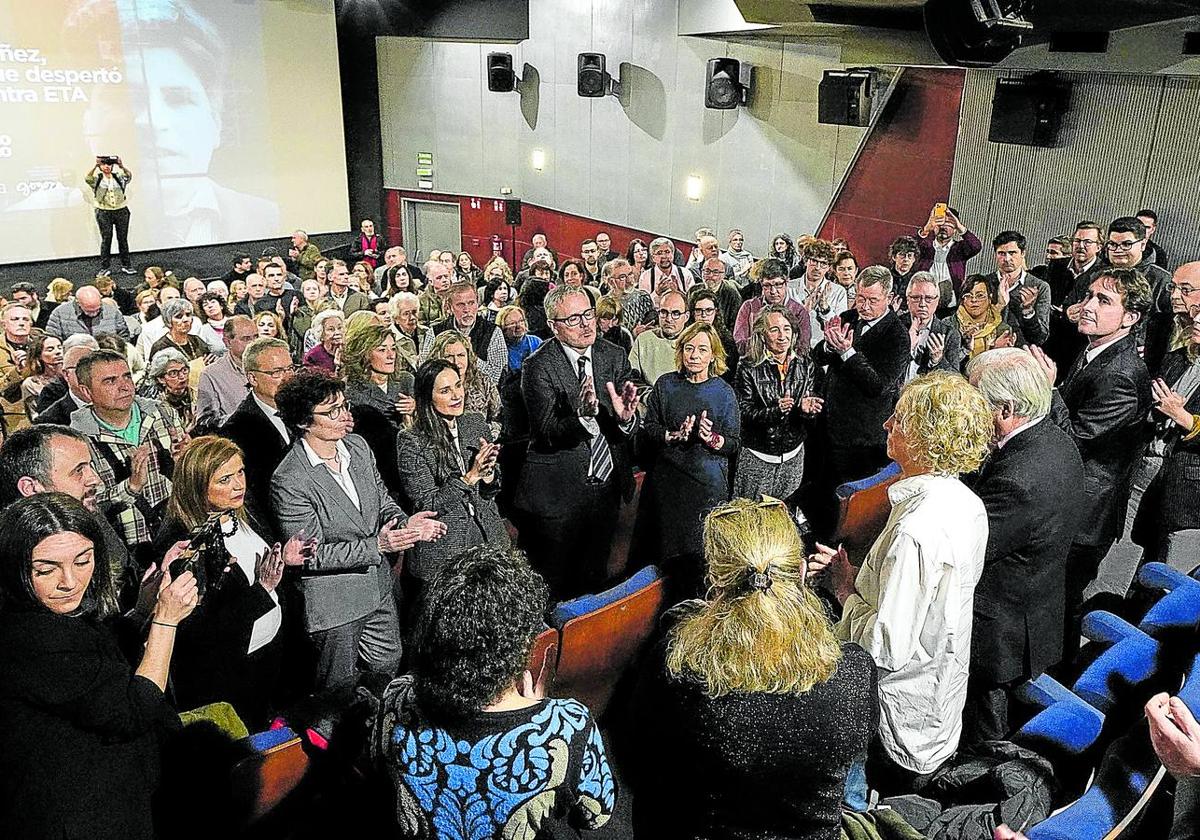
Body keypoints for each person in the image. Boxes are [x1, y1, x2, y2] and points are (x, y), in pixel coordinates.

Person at [633, 497, 877, 839]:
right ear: (801, 572)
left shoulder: (674, 670)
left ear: (715, 582)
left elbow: (650, 771)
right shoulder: (853, 673)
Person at [809, 371, 993, 792]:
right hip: (935, 696)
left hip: (894, 719)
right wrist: (859, 579)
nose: (887, 425)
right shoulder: (967, 502)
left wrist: (843, 590)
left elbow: (885, 648)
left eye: (900, 419)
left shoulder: (917, 532)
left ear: (929, 437)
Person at [371, 544, 613, 837]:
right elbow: (595, 814)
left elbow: (381, 770)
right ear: (522, 645)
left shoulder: (398, 696)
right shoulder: (567, 725)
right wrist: (538, 713)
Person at [0, 493, 197, 840]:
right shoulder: (27, 635)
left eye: (83, 560)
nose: (69, 582)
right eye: (46, 570)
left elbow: (93, 658)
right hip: (80, 819)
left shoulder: (50, 618)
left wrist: (141, 612)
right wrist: (166, 622)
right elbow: (132, 709)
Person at [271, 370, 445, 694]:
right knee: (337, 690)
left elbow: (382, 500)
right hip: (335, 603)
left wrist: (405, 523)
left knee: (387, 665)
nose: (344, 415)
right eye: (332, 411)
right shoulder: (290, 479)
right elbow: (311, 554)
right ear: (304, 422)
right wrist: (377, 545)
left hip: (378, 587)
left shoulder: (358, 447)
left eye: (343, 405)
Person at [962, 349, 1086, 745]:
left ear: (1005, 409)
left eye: (974, 402)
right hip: (1033, 611)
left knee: (987, 738)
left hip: (999, 635)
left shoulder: (1019, 479)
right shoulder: (1053, 439)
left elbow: (969, 547)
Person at [153, 436, 313, 727]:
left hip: (266, 661)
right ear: (197, 486)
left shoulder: (242, 512)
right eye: (224, 479)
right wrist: (262, 591)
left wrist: (284, 561)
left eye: (240, 472)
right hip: (230, 679)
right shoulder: (183, 544)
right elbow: (202, 633)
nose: (239, 484)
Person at [515, 287, 641, 599]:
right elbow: (545, 431)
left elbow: (627, 413)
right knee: (555, 585)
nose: (586, 324)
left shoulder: (613, 355)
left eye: (588, 314)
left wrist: (625, 419)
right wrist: (584, 418)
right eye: (573, 319)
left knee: (595, 579)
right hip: (558, 495)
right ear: (552, 325)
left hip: (606, 489)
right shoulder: (538, 366)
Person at [394, 359, 509, 603]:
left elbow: (492, 488)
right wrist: (470, 477)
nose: (457, 395)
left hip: (488, 537)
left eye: (458, 386)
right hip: (444, 549)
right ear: (428, 397)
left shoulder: (475, 421)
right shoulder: (411, 440)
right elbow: (428, 504)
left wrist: (488, 475)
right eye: (445, 391)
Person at [639, 322, 740, 597]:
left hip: (706, 488)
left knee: (699, 562)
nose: (694, 355)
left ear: (713, 355)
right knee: (665, 559)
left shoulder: (724, 392)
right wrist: (672, 435)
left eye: (702, 349)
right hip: (668, 484)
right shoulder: (666, 384)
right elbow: (650, 428)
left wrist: (712, 439)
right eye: (689, 348)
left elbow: (733, 444)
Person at [71, 350, 189, 559]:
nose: (124, 386)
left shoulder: (163, 414)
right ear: (86, 392)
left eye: (127, 376)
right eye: (110, 381)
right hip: (128, 554)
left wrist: (186, 461)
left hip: (181, 536)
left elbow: (189, 478)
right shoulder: (78, 442)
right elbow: (85, 508)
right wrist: (131, 487)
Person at [0, 425, 135, 599]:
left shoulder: (86, 510)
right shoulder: (12, 562)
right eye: (79, 470)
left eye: (90, 466)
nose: (95, 479)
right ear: (31, 487)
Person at [814, 265, 910, 489]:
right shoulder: (849, 317)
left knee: (850, 497)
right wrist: (829, 346)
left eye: (872, 300)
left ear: (889, 297)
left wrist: (847, 353)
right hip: (829, 427)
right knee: (823, 490)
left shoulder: (897, 335)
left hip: (863, 440)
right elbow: (817, 357)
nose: (864, 306)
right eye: (860, 298)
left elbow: (877, 386)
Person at [734, 307, 823, 501]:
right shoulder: (748, 366)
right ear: (762, 335)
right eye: (774, 329)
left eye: (787, 328)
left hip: (793, 455)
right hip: (758, 457)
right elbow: (743, 412)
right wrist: (776, 411)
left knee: (783, 513)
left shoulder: (805, 364)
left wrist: (805, 411)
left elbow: (807, 407)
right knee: (751, 515)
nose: (782, 336)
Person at [219, 338, 294, 521]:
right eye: (277, 372)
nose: (287, 377)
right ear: (252, 378)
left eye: (290, 368)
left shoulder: (303, 409)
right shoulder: (236, 431)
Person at [343, 324, 415, 498]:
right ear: (365, 354)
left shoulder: (406, 380)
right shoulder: (350, 391)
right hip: (378, 468)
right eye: (382, 350)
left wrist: (415, 410)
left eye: (393, 349)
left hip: (411, 459)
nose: (391, 356)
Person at [425, 282, 508, 385]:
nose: (467, 310)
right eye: (460, 305)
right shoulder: (434, 333)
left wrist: (470, 355)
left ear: (478, 304)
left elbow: (495, 377)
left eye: (471, 303)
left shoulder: (493, 332)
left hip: (481, 394)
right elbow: (426, 373)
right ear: (450, 307)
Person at [429, 330, 501, 435]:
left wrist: (486, 437)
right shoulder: (430, 384)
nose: (456, 362)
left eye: (461, 355)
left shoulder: (483, 381)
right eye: (449, 356)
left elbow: (498, 418)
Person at [732, 258, 812, 352]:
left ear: (787, 282)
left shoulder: (799, 311)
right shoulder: (749, 307)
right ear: (761, 284)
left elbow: (803, 346)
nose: (773, 291)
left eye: (778, 284)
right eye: (767, 285)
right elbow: (740, 342)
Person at [914, 204, 983, 310]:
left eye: (949, 224)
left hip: (951, 306)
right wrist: (927, 227)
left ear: (955, 229)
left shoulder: (959, 249)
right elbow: (912, 246)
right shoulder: (925, 246)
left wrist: (960, 227)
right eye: (940, 223)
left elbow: (976, 246)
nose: (943, 227)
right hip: (924, 304)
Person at [194, 315, 256, 431]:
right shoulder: (211, 375)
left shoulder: (269, 367)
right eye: (246, 339)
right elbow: (205, 422)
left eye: (255, 337)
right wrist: (242, 419)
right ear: (227, 342)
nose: (253, 343)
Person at [900, 272, 961, 380]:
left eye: (928, 298)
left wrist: (938, 360)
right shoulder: (895, 326)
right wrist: (906, 348)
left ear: (937, 301)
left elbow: (954, 379)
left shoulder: (949, 334)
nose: (922, 304)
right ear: (908, 300)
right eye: (916, 298)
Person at [950, 274, 1021, 364]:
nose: (974, 300)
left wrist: (999, 351)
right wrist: (965, 349)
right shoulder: (950, 325)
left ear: (990, 297)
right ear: (962, 300)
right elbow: (946, 363)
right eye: (968, 295)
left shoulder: (1002, 329)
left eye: (980, 295)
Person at [84, 155, 135, 276]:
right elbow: (87, 178)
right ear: (100, 166)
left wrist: (121, 166)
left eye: (109, 164)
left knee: (122, 239)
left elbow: (129, 176)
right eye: (104, 164)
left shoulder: (118, 177)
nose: (106, 167)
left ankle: (126, 265)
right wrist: (95, 166)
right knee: (106, 240)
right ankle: (105, 267)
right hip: (104, 211)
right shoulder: (98, 179)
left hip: (121, 210)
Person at [629, 290, 690, 387]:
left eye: (675, 313)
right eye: (664, 312)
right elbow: (631, 377)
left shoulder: (694, 341)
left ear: (686, 317)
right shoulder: (644, 339)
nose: (669, 319)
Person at [33, 339, 97, 426]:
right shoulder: (49, 421)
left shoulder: (117, 402)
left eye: (96, 369)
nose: (90, 374)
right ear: (66, 374)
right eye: (82, 369)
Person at [45, 285, 131, 341]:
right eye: (89, 310)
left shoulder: (113, 311)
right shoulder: (59, 313)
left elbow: (124, 338)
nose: (94, 313)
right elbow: (53, 340)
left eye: (97, 309)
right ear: (78, 302)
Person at [137, 349, 195, 432]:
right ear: (161, 379)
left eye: (184, 370)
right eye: (173, 373)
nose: (182, 376)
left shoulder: (196, 395)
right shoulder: (154, 403)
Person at [149, 298, 209, 362]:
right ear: (168, 321)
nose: (186, 319)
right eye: (178, 316)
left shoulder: (196, 340)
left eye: (188, 315)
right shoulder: (160, 347)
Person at [20, 330, 62, 423]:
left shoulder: (71, 376)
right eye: (50, 349)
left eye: (60, 347)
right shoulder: (31, 383)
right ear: (39, 355)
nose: (58, 352)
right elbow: (34, 415)